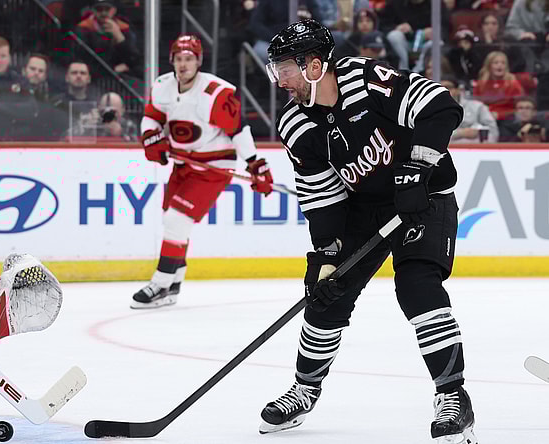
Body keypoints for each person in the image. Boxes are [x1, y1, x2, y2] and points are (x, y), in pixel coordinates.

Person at [259, 20, 476, 443]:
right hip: (364, 207)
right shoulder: (295, 123)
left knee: (417, 287)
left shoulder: (365, 79)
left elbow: (441, 106)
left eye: (284, 69)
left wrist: (417, 167)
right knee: (326, 294)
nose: (280, 80)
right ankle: (304, 389)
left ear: (314, 66)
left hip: (425, 197)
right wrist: (326, 254)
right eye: (276, 70)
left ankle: (453, 396)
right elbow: (321, 194)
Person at [131, 34, 274, 309]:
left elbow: (238, 130)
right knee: (174, 222)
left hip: (214, 166)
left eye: (189, 59)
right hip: (184, 163)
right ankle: (174, 285)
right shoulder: (162, 85)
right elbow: (152, 117)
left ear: (198, 61)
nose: (183, 64)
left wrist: (255, 163)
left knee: (176, 220)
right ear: (172, 61)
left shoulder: (215, 93)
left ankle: (161, 284)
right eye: (178, 59)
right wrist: (151, 137)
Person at [74, 0, 142, 77]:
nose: (103, 13)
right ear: (93, 11)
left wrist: (120, 38)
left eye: (107, 9)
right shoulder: (83, 29)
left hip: (122, 77)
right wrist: (112, 70)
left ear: (114, 10)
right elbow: (80, 60)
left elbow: (136, 62)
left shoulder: (125, 29)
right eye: (99, 9)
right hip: (93, 77)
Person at [442, 76, 498, 143]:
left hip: (476, 147)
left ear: (458, 90)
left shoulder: (478, 107)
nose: (443, 91)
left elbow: (493, 131)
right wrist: (460, 133)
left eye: (448, 87)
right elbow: (435, 137)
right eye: (440, 88)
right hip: (449, 148)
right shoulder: (434, 110)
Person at [473, 50, 524, 120]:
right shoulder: (481, 83)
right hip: (484, 117)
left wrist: (500, 115)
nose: (500, 65)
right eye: (496, 63)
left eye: (503, 63)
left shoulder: (513, 83)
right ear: (489, 66)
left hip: (507, 119)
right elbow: (476, 104)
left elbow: (519, 107)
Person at [66, 91, 138, 141]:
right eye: (104, 111)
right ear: (98, 108)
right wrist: (84, 126)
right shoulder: (93, 122)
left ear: (122, 110)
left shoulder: (128, 125)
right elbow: (66, 138)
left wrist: (120, 133)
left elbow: (136, 147)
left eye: (113, 112)